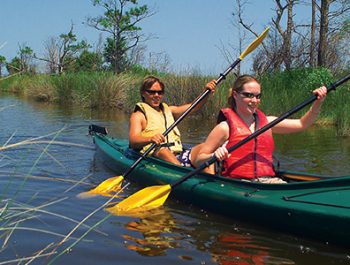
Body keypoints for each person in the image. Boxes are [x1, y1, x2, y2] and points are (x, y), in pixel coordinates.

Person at [193, 74, 327, 183]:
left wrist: (318, 102)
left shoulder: (268, 122)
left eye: (258, 96)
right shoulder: (224, 128)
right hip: (238, 184)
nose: (254, 100)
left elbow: (302, 124)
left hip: (267, 181)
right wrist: (214, 155)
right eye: (249, 95)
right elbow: (199, 159)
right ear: (235, 95)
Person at [129, 75, 217, 171]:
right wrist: (150, 139)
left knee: (206, 148)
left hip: (178, 154)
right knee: (163, 151)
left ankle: (211, 180)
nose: (156, 95)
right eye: (152, 92)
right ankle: (181, 172)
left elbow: (193, 106)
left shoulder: (170, 110)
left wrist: (206, 93)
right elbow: (133, 141)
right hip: (156, 155)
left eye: (160, 92)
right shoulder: (138, 115)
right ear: (143, 93)